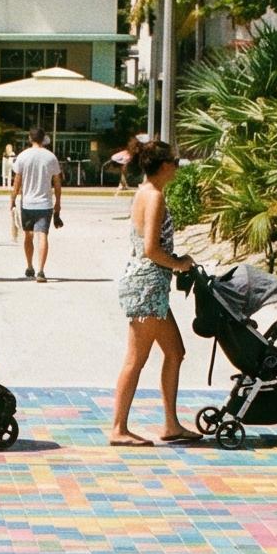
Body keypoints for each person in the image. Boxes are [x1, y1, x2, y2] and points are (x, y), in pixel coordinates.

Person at [109, 138, 201, 447]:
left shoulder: (144, 192)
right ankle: (119, 428)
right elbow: (150, 248)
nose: (177, 167)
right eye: (174, 162)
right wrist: (179, 264)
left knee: (175, 352)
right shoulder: (156, 196)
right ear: (164, 167)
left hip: (147, 283)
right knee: (136, 358)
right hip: (148, 284)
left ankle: (171, 424)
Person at [10, 126, 64, 281]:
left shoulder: (22, 156)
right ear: (43, 139)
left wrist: (13, 198)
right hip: (45, 203)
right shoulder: (51, 157)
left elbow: (17, 181)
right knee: (43, 236)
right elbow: (57, 182)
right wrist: (58, 203)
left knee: (28, 235)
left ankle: (29, 266)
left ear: (29, 138)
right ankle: (41, 270)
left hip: (27, 202)